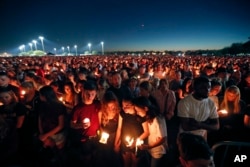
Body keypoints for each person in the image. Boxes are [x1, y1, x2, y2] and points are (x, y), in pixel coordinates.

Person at [70, 80, 101, 167]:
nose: (90, 96)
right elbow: (72, 124)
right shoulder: (78, 108)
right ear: (83, 92)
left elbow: (101, 118)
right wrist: (80, 125)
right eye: (88, 94)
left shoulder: (98, 104)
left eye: (93, 94)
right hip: (85, 138)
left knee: (96, 155)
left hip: (97, 137)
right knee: (86, 157)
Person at [114, 96, 149, 167]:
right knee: (126, 163)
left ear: (133, 105)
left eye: (127, 105)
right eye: (123, 105)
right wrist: (116, 144)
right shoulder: (122, 114)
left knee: (134, 164)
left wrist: (135, 141)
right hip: (125, 143)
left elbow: (147, 132)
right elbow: (119, 128)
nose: (124, 108)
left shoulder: (139, 115)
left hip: (136, 144)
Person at [133, 96, 168, 167]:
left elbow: (163, 139)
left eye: (138, 110)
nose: (137, 113)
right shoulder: (148, 117)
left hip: (157, 151)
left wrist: (148, 146)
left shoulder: (158, 120)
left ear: (145, 108)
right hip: (151, 150)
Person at [95, 91, 121, 167]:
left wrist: (117, 143)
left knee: (114, 156)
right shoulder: (101, 112)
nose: (110, 108)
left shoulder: (118, 112)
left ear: (115, 104)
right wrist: (102, 133)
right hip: (104, 137)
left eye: (112, 106)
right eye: (108, 106)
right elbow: (100, 126)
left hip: (115, 137)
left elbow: (120, 128)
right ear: (104, 105)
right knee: (104, 155)